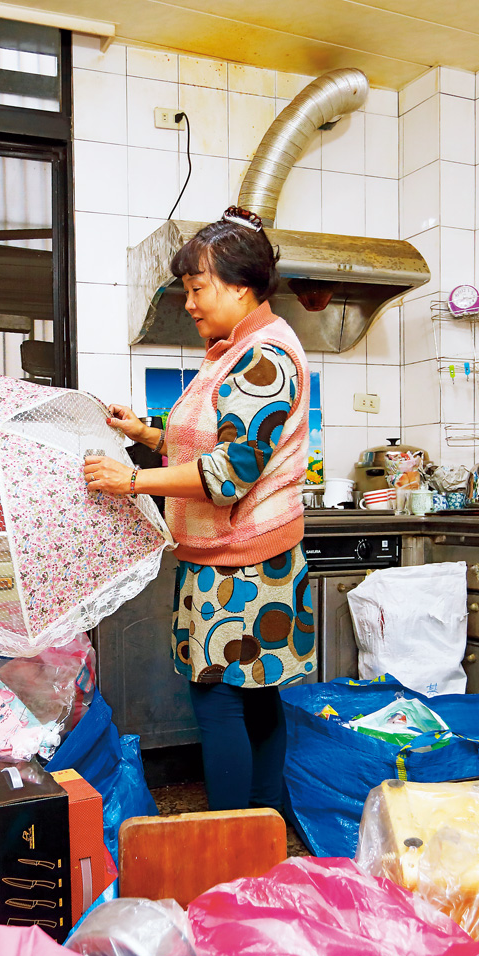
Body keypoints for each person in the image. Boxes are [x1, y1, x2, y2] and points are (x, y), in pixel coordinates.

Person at [83, 205, 316, 813]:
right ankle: (262, 832)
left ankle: (235, 839)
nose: (189, 303)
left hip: (244, 565)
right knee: (256, 700)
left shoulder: (263, 357)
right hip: (230, 557)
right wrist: (149, 433)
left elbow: (230, 472)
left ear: (240, 286)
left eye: (197, 288)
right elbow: (209, 443)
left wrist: (133, 480)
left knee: (221, 702)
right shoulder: (231, 350)